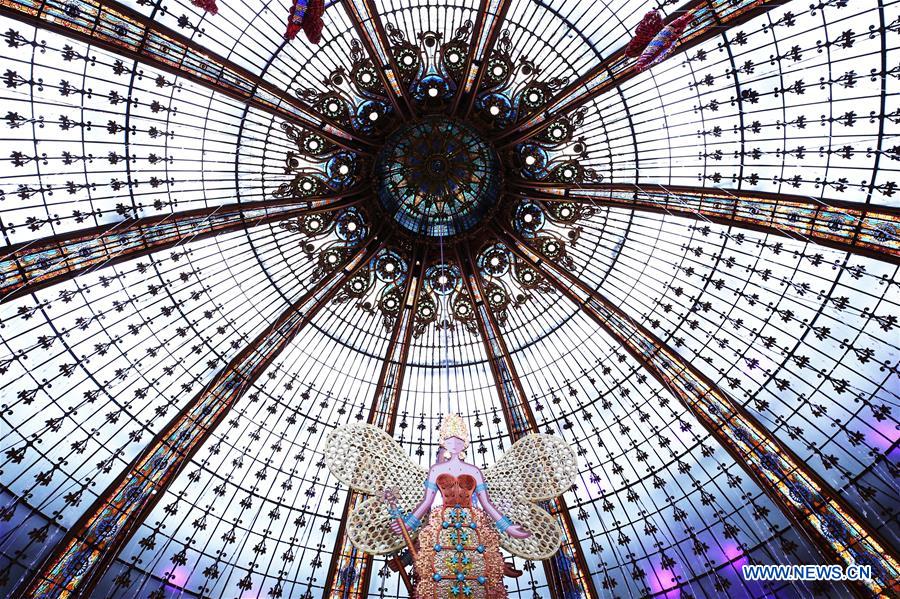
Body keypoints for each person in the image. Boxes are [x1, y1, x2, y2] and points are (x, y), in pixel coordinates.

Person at [391, 414, 530, 598]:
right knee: (439, 577)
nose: (453, 445)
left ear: (465, 443)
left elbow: (487, 503)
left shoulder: (473, 472)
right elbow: (426, 502)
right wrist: (408, 524)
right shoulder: (436, 471)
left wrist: (508, 527)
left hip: (471, 528)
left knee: (477, 577)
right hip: (442, 527)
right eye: (449, 440)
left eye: (458, 440)